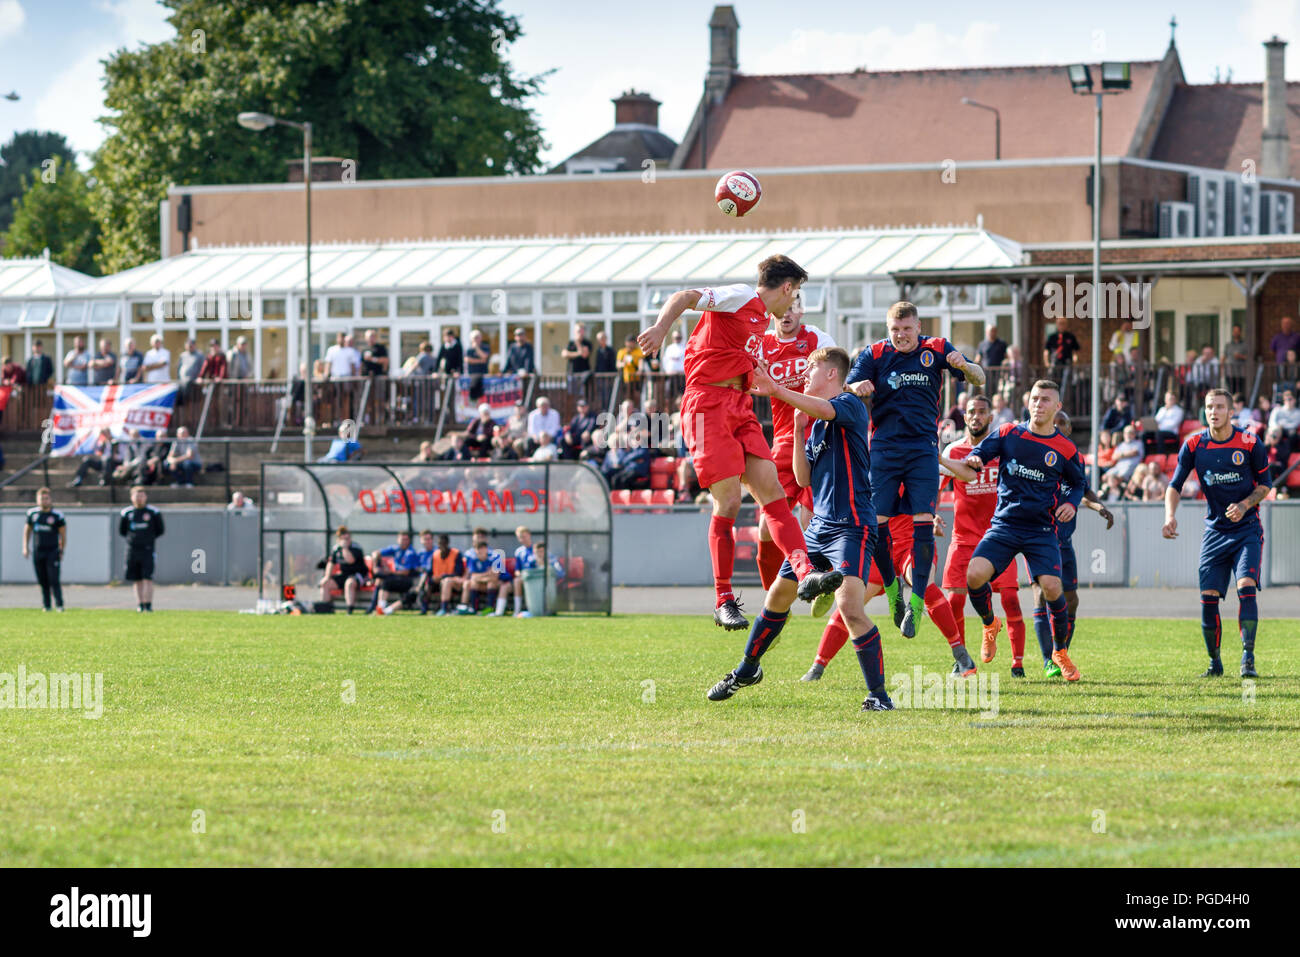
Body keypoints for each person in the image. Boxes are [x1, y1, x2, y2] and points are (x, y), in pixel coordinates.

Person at [637, 254, 843, 630]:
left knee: (773, 497)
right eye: (794, 293)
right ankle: (723, 599)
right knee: (729, 500)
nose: (792, 303)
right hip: (705, 404)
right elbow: (684, 296)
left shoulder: (762, 324)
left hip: (739, 404)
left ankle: (806, 571)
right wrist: (660, 328)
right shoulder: (741, 296)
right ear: (785, 288)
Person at [707, 347, 893, 711]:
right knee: (776, 597)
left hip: (852, 526)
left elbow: (824, 408)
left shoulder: (849, 404)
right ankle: (747, 670)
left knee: (850, 607)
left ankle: (879, 696)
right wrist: (795, 428)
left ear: (831, 374)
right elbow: (801, 476)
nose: (806, 374)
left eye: (812, 368)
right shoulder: (816, 422)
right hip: (819, 527)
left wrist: (776, 389)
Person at [845, 300, 985, 637]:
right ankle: (894, 591)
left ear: (918, 327)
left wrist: (964, 365)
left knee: (922, 524)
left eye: (907, 329)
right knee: (877, 528)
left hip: (923, 450)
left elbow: (978, 378)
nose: (900, 336)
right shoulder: (875, 353)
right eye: (895, 329)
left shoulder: (936, 349)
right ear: (887, 328)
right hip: (884, 451)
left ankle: (917, 602)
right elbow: (845, 387)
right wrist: (855, 387)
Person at [959, 379, 1087, 681]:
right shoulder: (1008, 433)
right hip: (1005, 524)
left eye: (1046, 400)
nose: (1039, 404)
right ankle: (990, 624)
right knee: (974, 576)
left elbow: (1078, 483)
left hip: (1041, 529)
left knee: (1054, 589)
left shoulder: (1065, 448)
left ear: (1057, 407)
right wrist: (976, 457)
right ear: (1027, 402)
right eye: (1035, 398)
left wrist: (1072, 502)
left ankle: (1059, 652)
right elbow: (980, 452)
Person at [1163, 389, 1269, 678]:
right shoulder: (1194, 444)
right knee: (1208, 597)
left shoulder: (1249, 443)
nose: (1214, 411)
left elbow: (1265, 485)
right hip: (1215, 532)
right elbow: (1174, 485)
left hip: (1246, 529)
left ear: (1230, 411)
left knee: (1246, 586)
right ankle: (1214, 663)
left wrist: (1246, 504)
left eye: (1220, 407)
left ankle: (1248, 657)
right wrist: (1170, 516)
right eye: (1209, 406)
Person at [933, 394, 1025, 675]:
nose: (976, 416)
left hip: (1000, 536)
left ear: (990, 417)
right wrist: (932, 513)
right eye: (971, 412)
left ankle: (1017, 664)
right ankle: (962, 660)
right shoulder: (954, 452)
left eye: (981, 412)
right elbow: (934, 486)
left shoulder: (1002, 449)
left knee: (1010, 600)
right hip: (963, 538)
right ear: (965, 416)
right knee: (954, 601)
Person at [752, 290, 833, 589]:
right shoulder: (761, 346)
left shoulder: (816, 339)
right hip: (784, 442)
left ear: (801, 310)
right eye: (781, 309)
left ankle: (819, 580)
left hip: (819, 441)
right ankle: (772, 596)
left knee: (809, 519)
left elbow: (837, 376)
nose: (786, 314)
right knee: (764, 528)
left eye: (793, 308)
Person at [1024, 411, 1114, 676]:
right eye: (1056, 422)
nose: (1058, 426)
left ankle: (1061, 650)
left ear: (1070, 428)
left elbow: (1081, 490)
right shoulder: (1037, 452)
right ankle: (1048, 661)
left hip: (1064, 541)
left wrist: (1099, 507)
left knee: (1071, 599)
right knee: (1041, 595)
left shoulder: (1074, 457)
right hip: (1039, 537)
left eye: (1063, 422)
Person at [119, 485, 164, 612]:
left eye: (142, 496)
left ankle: (148, 604)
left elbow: (160, 530)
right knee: (136, 578)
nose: (139, 498)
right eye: (137, 496)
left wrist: (147, 539)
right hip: (132, 549)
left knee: (147, 577)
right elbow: (122, 531)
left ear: (146, 497)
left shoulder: (153, 512)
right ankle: (140, 604)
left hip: (147, 549)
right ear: (132, 497)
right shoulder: (126, 513)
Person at [23, 487, 66, 612]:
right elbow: (27, 531)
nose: (44, 501)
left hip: (53, 551)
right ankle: (46, 605)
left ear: (50, 499)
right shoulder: (32, 514)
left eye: (46, 498)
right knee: (42, 579)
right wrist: (25, 547)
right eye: (42, 498)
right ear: (37, 500)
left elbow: (63, 534)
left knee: (54, 579)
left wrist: (62, 549)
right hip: (38, 550)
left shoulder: (57, 515)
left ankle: (59, 605)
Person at [368, 531, 421, 615]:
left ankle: (381, 609)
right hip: (398, 578)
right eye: (402, 539)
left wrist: (390, 572)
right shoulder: (395, 549)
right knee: (380, 580)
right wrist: (375, 565)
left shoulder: (410, 553)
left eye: (406, 539)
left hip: (409, 580)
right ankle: (378, 608)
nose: (404, 541)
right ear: (398, 540)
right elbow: (375, 553)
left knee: (387, 582)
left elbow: (406, 572)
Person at [318, 526, 368, 613]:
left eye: (347, 538)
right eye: (343, 539)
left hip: (358, 574)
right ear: (339, 539)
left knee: (349, 583)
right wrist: (326, 577)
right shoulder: (336, 549)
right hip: (344, 574)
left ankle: (349, 609)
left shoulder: (356, 547)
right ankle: (325, 609)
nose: (346, 541)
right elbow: (331, 563)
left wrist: (345, 548)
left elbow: (350, 560)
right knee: (325, 584)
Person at [1267, 388, 1300, 454]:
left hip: (1289, 431)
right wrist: (1277, 428)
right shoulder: (1277, 410)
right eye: (1286, 399)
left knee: (1292, 434)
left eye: (1290, 399)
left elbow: (1295, 424)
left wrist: (1282, 426)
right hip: (1276, 430)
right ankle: (1268, 455)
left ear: (1294, 400)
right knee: (1271, 432)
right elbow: (1271, 422)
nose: (1288, 401)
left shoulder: (1298, 412)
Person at [1223, 324, 1250, 395]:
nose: (1235, 333)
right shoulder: (1228, 345)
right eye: (1234, 331)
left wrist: (1240, 356)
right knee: (1230, 391)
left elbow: (1249, 358)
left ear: (1240, 332)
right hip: (1230, 373)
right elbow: (1224, 357)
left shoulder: (1245, 345)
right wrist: (1222, 369)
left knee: (1240, 392)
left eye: (1237, 331)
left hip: (1241, 373)